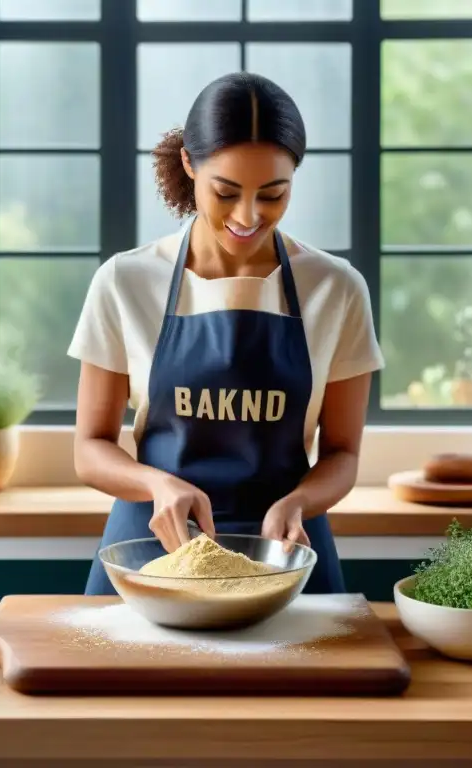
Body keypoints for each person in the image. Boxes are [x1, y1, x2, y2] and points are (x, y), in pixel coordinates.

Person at [67, 71, 384, 596]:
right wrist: (155, 483)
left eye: (273, 194)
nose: (248, 215)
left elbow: (342, 453)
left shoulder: (336, 288)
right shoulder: (126, 281)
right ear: (189, 164)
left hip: (287, 551)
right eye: (227, 192)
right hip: (152, 551)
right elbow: (90, 448)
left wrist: (299, 502)